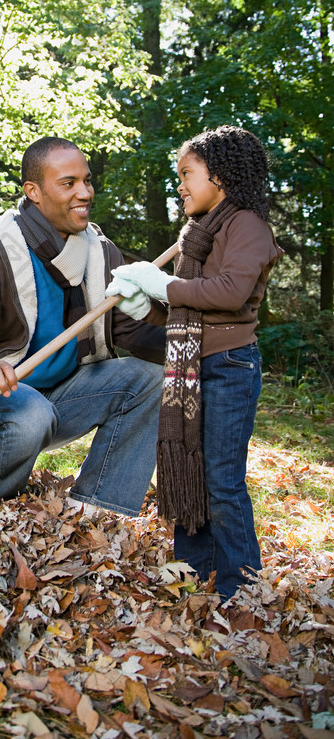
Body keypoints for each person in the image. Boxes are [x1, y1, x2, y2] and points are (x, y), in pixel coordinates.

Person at [0, 136, 167, 516]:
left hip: (61, 399)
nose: (84, 192)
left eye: (87, 181)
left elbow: (130, 332)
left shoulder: (102, 253)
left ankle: (99, 509)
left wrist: (196, 334)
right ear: (33, 191)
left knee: (150, 380)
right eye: (68, 184)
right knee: (28, 410)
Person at [106, 125, 283, 600]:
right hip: (192, 366)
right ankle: (190, 572)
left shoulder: (246, 224)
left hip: (229, 366)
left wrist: (159, 282)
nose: (180, 185)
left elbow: (229, 293)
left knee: (222, 480)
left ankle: (240, 588)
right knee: (190, 470)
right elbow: (188, 308)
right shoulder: (200, 233)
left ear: (220, 177)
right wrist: (144, 304)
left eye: (188, 174)